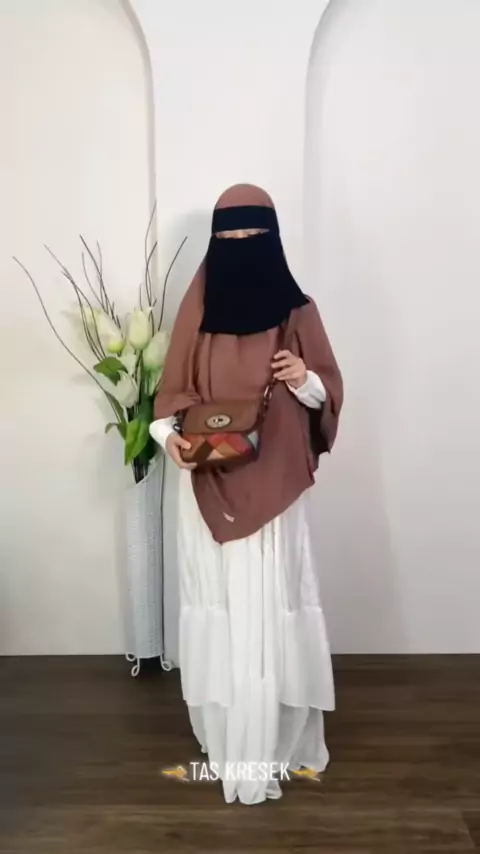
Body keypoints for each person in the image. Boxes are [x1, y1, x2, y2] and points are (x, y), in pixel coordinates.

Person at [150, 184, 343, 804]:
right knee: (224, 610)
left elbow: (328, 395)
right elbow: (169, 398)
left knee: (269, 607)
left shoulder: (299, 312)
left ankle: (274, 738)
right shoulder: (196, 311)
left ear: (273, 241)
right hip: (210, 483)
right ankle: (228, 737)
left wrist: (304, 377)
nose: (239, 248)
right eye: (228, 238)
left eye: (252, 238)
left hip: (275, 488)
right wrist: (169, 439)